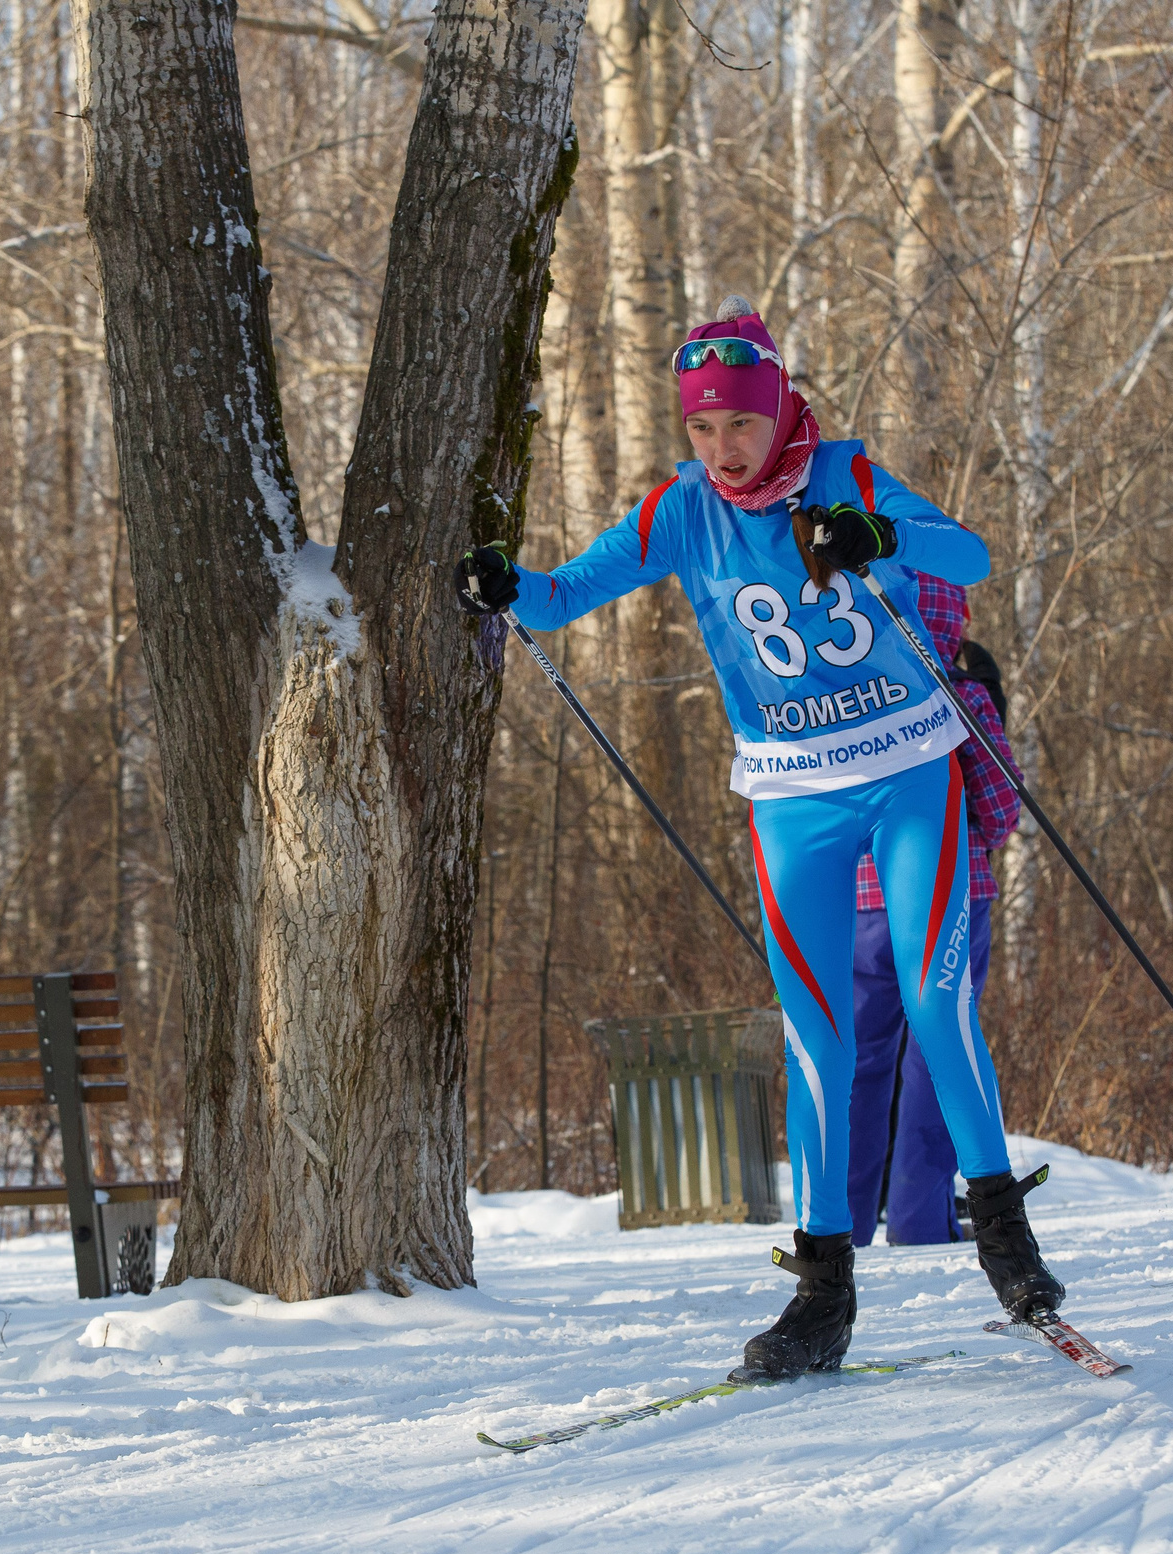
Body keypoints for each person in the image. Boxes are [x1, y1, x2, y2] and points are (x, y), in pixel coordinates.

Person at [454, 295, 1060, 1381]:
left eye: (738, 422)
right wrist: (504, 586)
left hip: (905, 772)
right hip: (791, 796)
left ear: (776, 403)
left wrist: (881, 535)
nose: (722, 448)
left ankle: (1005, 1240)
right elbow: (559, 598)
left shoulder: (846, 474)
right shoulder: (679, 514)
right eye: (701, 428)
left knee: (932, 996)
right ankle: (822, 1292)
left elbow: (965, 557)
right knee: (815, 1034)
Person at [847, 600, 1017, 1248]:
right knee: (938, 1057)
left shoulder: (844, 691)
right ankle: (919, 1223)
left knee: (858, 1063)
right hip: (949, 893)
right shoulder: (955, 691)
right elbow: (1001, 803)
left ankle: (844, 1226)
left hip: (860, 902)